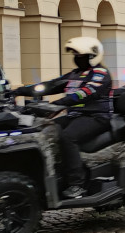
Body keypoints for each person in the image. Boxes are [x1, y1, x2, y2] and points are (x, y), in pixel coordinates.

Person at [16, 37, 112, 198]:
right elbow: (51, 85)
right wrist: (20, 91)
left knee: (68, 137)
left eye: (80, 56)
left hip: (96, 117)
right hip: (74, 115)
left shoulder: (100, 74)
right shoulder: (75, 74)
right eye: (75, 55)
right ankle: (54, 173)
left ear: (93, 56)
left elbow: (85, 93)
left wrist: (60, 103)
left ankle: (77, 184)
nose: (77, 59)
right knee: (44, 129)